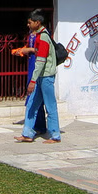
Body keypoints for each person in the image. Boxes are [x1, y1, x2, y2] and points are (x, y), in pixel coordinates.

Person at [14, 9, 61, 144]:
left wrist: (32, 81)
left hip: (45, 77)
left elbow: (40, 61)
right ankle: (27, 133)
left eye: (30, 22)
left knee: (50, 106)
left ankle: (55, 135)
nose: (28, 25)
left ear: (37, 22)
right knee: (32, 105)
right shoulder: (38, 36)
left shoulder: (44, 37)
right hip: (39, 76)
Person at [11, 41, 47, 135]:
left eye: (30, 24)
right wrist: (22, 50)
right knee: (34, 100)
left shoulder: (42, 35)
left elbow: (39, 50)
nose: (28, 25)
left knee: (34, 100)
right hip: (32, 68)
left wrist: (28, 50)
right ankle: (34, 128)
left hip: (37, 71)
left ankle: (30, 131)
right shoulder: (31, 35)